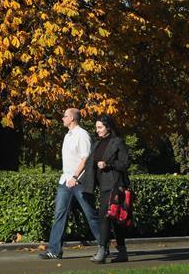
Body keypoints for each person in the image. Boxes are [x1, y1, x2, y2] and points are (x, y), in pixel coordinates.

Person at [39, 107, 100, 259]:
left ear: (72, 118)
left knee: (91, 215)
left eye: (65, 116)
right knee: (59, 214)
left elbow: (86, 159)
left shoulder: (82, 135)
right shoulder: (68, 136)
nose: (62, 118)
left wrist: (75, 176)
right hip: (65, 182)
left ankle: (104, 245)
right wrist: (68, 178)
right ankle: (54, 250)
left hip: (79, 182)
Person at [90, 114, 131, 264]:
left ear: (108, 127)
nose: (97, 130)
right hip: (103, 185)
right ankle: (122, 251)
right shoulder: (97, 144)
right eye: (96, 128)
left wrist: (109, 165)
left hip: (115, 184)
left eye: (100, 127)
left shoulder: (117, 142)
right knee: (115, 219)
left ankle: (102, 250)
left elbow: (126, 163)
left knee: (105, 216)